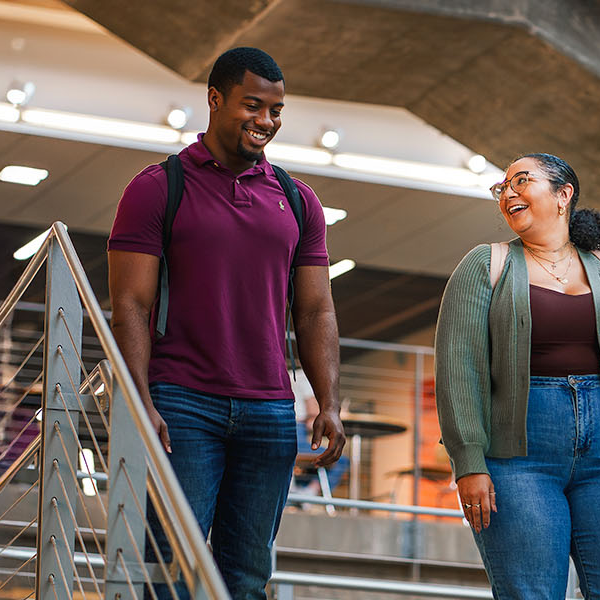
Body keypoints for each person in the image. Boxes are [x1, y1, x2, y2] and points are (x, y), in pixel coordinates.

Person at [106, 46, 347, 600]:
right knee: (167, 568)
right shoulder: (156, 188)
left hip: (268, 410)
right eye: (253, 106)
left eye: (276, 110)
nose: (266, 121)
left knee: (246, 576)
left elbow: (316, 311)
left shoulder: (297, 199)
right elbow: (131, 308)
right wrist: (142, 401)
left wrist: (329, 403)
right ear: (215, 100)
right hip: (182, 403)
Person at [434, 153, 600, 598]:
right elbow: (460, 370)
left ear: (563, 195)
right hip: (517, 461)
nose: (509, 193)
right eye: (503, 188)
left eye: (522, 181)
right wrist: (469, 462)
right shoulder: (485, 265)